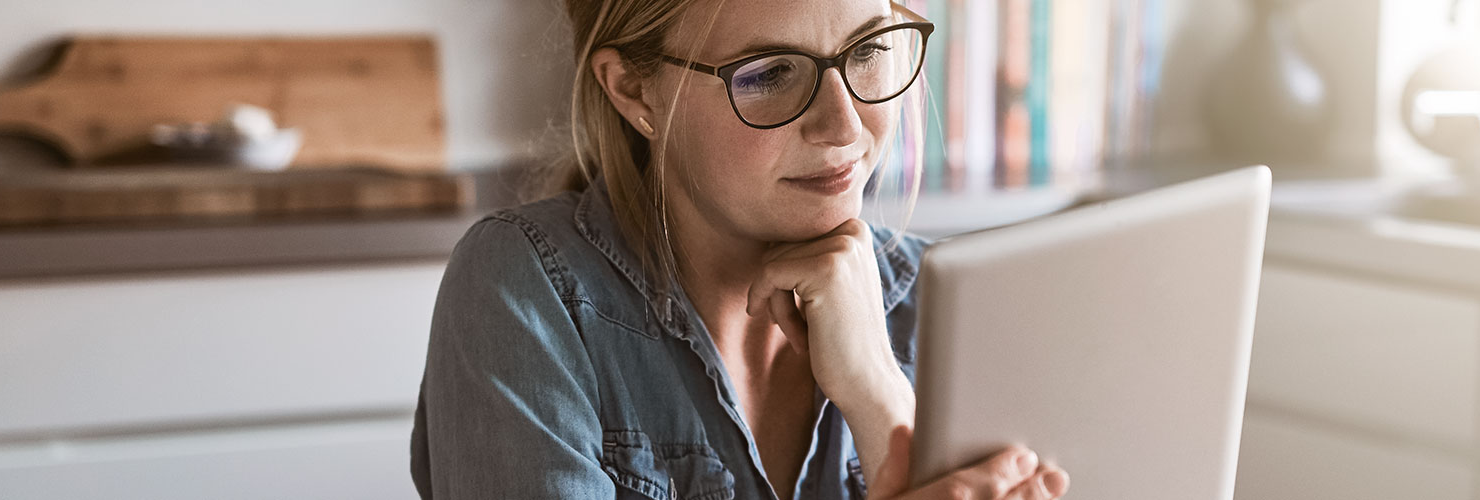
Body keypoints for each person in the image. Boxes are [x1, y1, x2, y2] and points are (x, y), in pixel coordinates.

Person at [409, 0, 1071, 498]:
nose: (843, 125)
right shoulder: (528, 291)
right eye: (771, 72)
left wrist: (881, 401)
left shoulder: (958, 307)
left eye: (868, 50)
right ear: (634, 90)